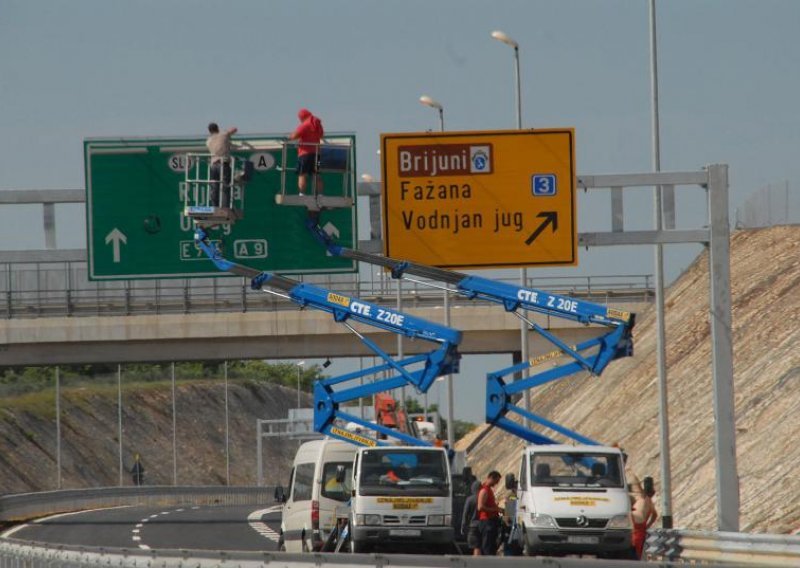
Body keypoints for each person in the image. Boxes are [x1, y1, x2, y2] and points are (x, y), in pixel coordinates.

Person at [288, 108, 324, 196]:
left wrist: (289, 137)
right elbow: (322, 135)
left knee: (302, 174)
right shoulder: (317, 124)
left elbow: (294, 136)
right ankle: (320, 194)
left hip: (305, 154)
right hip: (317, 154)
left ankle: (302, 193)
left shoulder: (305, 124)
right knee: (317, 174)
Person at [205, 122, 238, 207]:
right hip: (223, 164)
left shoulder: (208, 141)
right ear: (218, 128)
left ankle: (214, 206)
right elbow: (234, 129)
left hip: (213, 165)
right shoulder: (223, 135)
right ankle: (225, 207)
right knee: (225, 186)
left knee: (214, 187)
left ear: (209, 131)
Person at [630, 475, 659, 559]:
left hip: (636, 530)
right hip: (640, 530)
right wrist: (647, 525)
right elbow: (655, 515)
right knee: (636, 555)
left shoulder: (641, 500)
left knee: (634, 554)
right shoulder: (649, 503)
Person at [477, 470, 503, 556]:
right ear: (492, 478)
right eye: (496, 481)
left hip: (491, 522)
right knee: (487, 547)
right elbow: (480, 507)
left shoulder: (489, 490)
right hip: (487, 522)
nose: (496, 484)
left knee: (491, 546)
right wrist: (495, 510)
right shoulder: (484, 490)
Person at [460, 480, 482, 556]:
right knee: (481, 547)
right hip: (484, 525)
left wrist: (463, 526)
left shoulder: (469, 499)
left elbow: (465, 514)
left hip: (473, 526)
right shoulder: (484, 498)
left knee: (476, 547)